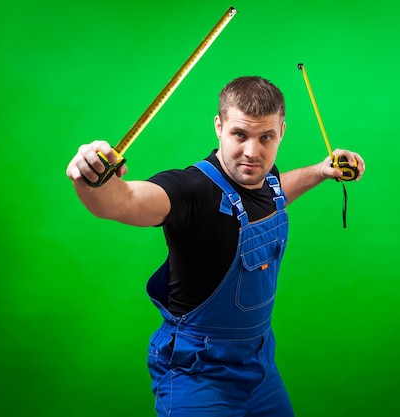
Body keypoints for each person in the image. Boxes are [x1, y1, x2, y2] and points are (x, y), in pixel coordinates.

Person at [66, 76, 365, 417]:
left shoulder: (264, 179)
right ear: (219, 127)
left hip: (260, 367)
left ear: (282, 132)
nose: (253, 152)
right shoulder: (192, 190)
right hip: (199, 373)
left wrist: (321, 171)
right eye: (240, 134)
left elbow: (273, 194)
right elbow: (123, 202)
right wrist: (93, 181)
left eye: (265, 137)